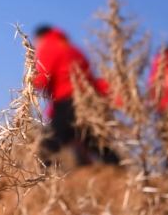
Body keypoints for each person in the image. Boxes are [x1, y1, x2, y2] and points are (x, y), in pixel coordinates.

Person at [33, 25, 119, 167]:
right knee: (95, 142)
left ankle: (40, 178)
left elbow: (41, 78)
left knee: (49, 142)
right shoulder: (73, 49)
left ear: (40, 37)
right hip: (87, 101)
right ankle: (119, 170)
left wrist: (29, 87)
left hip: (68, 101)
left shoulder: (49, 46)